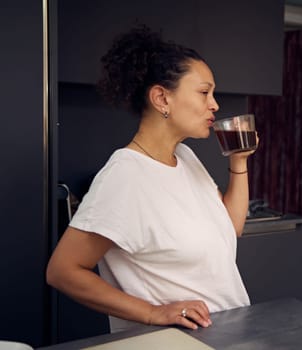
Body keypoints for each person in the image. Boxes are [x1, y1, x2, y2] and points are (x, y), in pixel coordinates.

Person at [46, 25, 256, 333]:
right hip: (179, 340)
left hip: (227, 332)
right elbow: (62, 271)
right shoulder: (125, 177)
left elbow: (231, 227)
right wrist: (152, 312)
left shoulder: (185, 157)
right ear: (161, 98)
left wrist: (239, 161)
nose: (215, 104)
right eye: (203, 92)